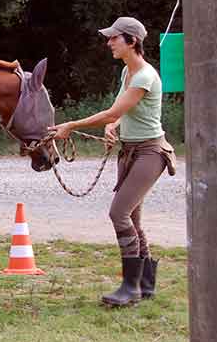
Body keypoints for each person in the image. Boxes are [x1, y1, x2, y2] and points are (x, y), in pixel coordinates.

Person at [48, 16, 176, 307]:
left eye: (114, 38)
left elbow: (111, 111)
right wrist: (114, 125)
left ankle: (130, 287)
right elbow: (120, 112)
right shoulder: (127, 73)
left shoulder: (144, 75)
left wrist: (72, 125)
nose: (109, 43)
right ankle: (145, 285)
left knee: (119, 213)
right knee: (132, 217)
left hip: (150, 153)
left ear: (131, 41)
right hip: (129, 150)